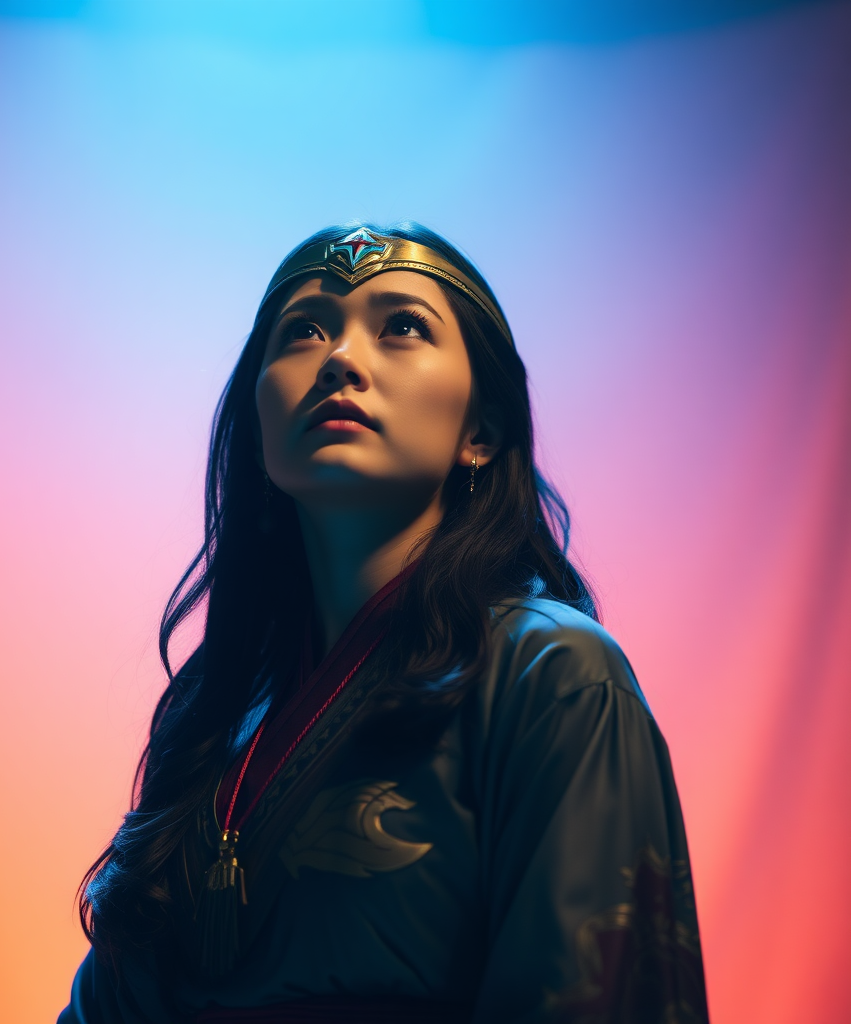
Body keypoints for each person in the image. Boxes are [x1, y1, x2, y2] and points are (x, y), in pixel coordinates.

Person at [58, 223, 709, 1024]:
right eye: (303, 329)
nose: (339, 358)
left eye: (403, 326)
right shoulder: (213, 725)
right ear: (256, 423)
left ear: (482, 431)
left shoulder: (560, 681)